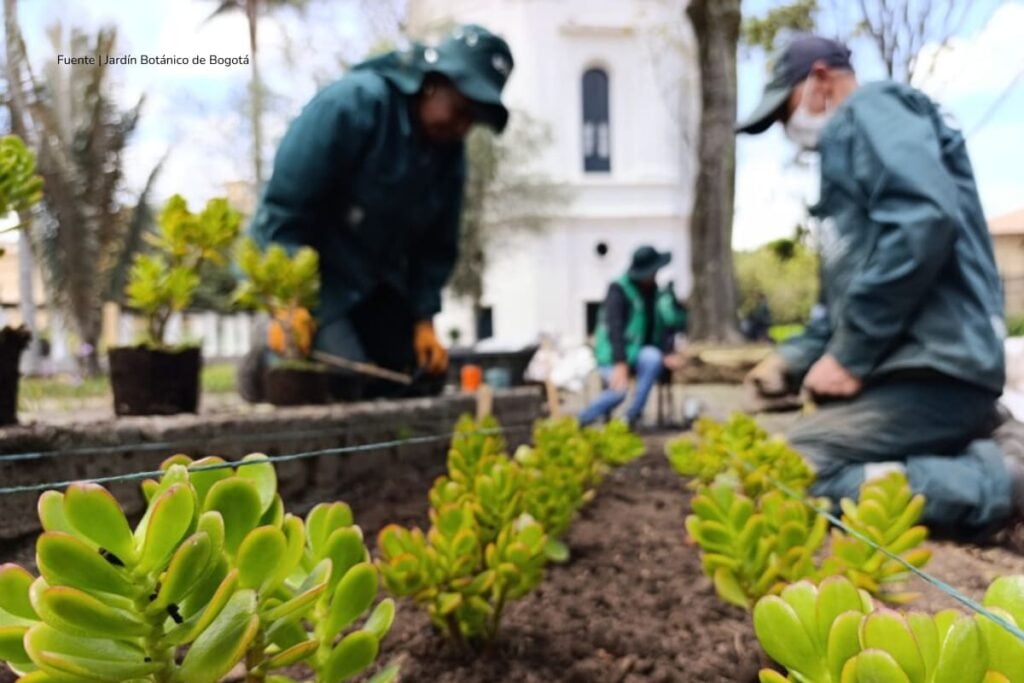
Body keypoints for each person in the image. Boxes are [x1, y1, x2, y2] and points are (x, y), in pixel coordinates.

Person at [738, 34, 1020, 538]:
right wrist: (789, 362)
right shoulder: (845, 169)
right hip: (905, 372)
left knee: (802, 467)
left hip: (937, 369)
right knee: (787, 457)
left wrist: (850, 355)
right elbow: (839, 313)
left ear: (821, 79)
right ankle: (973, 448)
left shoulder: (873, 107)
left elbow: (922, 220)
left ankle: (998, 480)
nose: (786, 128)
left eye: (784, 112)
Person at [239, 25, 514, 401]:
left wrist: (423, 320)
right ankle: (264, 359)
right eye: (461, 109)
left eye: (474, 121)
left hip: (375, 287)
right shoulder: (353, 105)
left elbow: (436, 247)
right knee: (336, 382)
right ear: (433, 82)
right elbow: (284, 211)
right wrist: (288, 302)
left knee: (415, 382)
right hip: (319, 282)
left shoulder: (448, 154)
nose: (462, 127)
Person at [579, 246, 685, 429]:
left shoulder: (653, 292)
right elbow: (615, 329)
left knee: (653, 357)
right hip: (613, 354)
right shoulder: (618, 289)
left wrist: (667, 351)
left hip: (638, 354)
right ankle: (579, 420)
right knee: (617, 392)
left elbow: (659, 327)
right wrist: (620, 363)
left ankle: (629, 418)